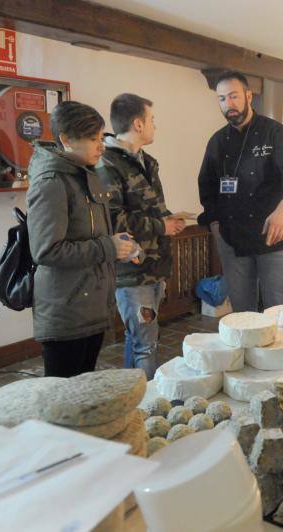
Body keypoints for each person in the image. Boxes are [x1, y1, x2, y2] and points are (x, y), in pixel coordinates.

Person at [27, 101, 137, 378]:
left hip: (90, 303)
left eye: (101, 137)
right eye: (92, 139)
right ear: (65, 139)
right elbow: (47, 250)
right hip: (66, 309)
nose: (101, 145)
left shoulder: (84, 175)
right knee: (63, 398)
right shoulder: (51, 181)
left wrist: (117, 244)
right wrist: (107, 247)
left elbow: (89, 234)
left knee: (83, 388)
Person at [197, 70, 283, 312]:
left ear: (248, 96)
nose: (229, 104)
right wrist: (215, 225)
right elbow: (206, 186)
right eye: (222, 99)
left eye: (234, 96)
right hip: (232, 238)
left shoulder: (275, 133)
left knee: (280, 311)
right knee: (242, 314)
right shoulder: (217, 141)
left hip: (274, 236)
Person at [96, 93, 185, 380]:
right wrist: (162, 226)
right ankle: (149, 411)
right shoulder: (107, 164)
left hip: (154, 264)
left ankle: (132, 400)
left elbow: (151, 208)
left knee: (140, 340)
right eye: (152, 120)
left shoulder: (147, 161)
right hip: (131, 269)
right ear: (138, 123)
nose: (155, 126)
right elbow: (113, 220)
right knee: (145, 344)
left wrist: (170, 218)